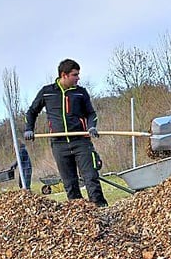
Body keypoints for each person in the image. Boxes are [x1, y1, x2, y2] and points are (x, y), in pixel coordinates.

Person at [24, 58, 108, 207]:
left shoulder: (80, 93)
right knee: (70, 184)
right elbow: (31, 112)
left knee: (91, 178)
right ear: (64, 75)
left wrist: (92, 127)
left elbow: (91, 113)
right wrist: (29, 128)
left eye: (78, 74)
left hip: (81, 141)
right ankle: (80, 214)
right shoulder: (47, 92)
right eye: (75, 75)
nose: (78, 78)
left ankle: (101, 209)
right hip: (59, 144)